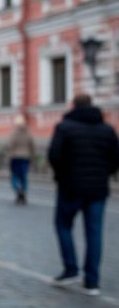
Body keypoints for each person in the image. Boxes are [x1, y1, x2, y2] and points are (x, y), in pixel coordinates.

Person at [48, 93, 119, 297]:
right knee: (94, 232)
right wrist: (104, 174)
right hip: (98, 189)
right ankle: (92, 281)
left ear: (73, 105)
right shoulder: (107, 129)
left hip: (70, 188)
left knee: (63, 226)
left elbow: (54, 155)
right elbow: (115, 158)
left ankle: (71, 269)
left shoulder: (64, 127)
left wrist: (61, 176)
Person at [6, 114, 36, 205]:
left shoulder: (14, 133)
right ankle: (23, 191)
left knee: (14, 176)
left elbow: (10, 145)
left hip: (15, 157)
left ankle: (18, 190)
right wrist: (32, 156)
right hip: (26, 157)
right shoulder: (28, 132)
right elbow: (32, 146)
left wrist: (8, 155)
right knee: (23, 177)